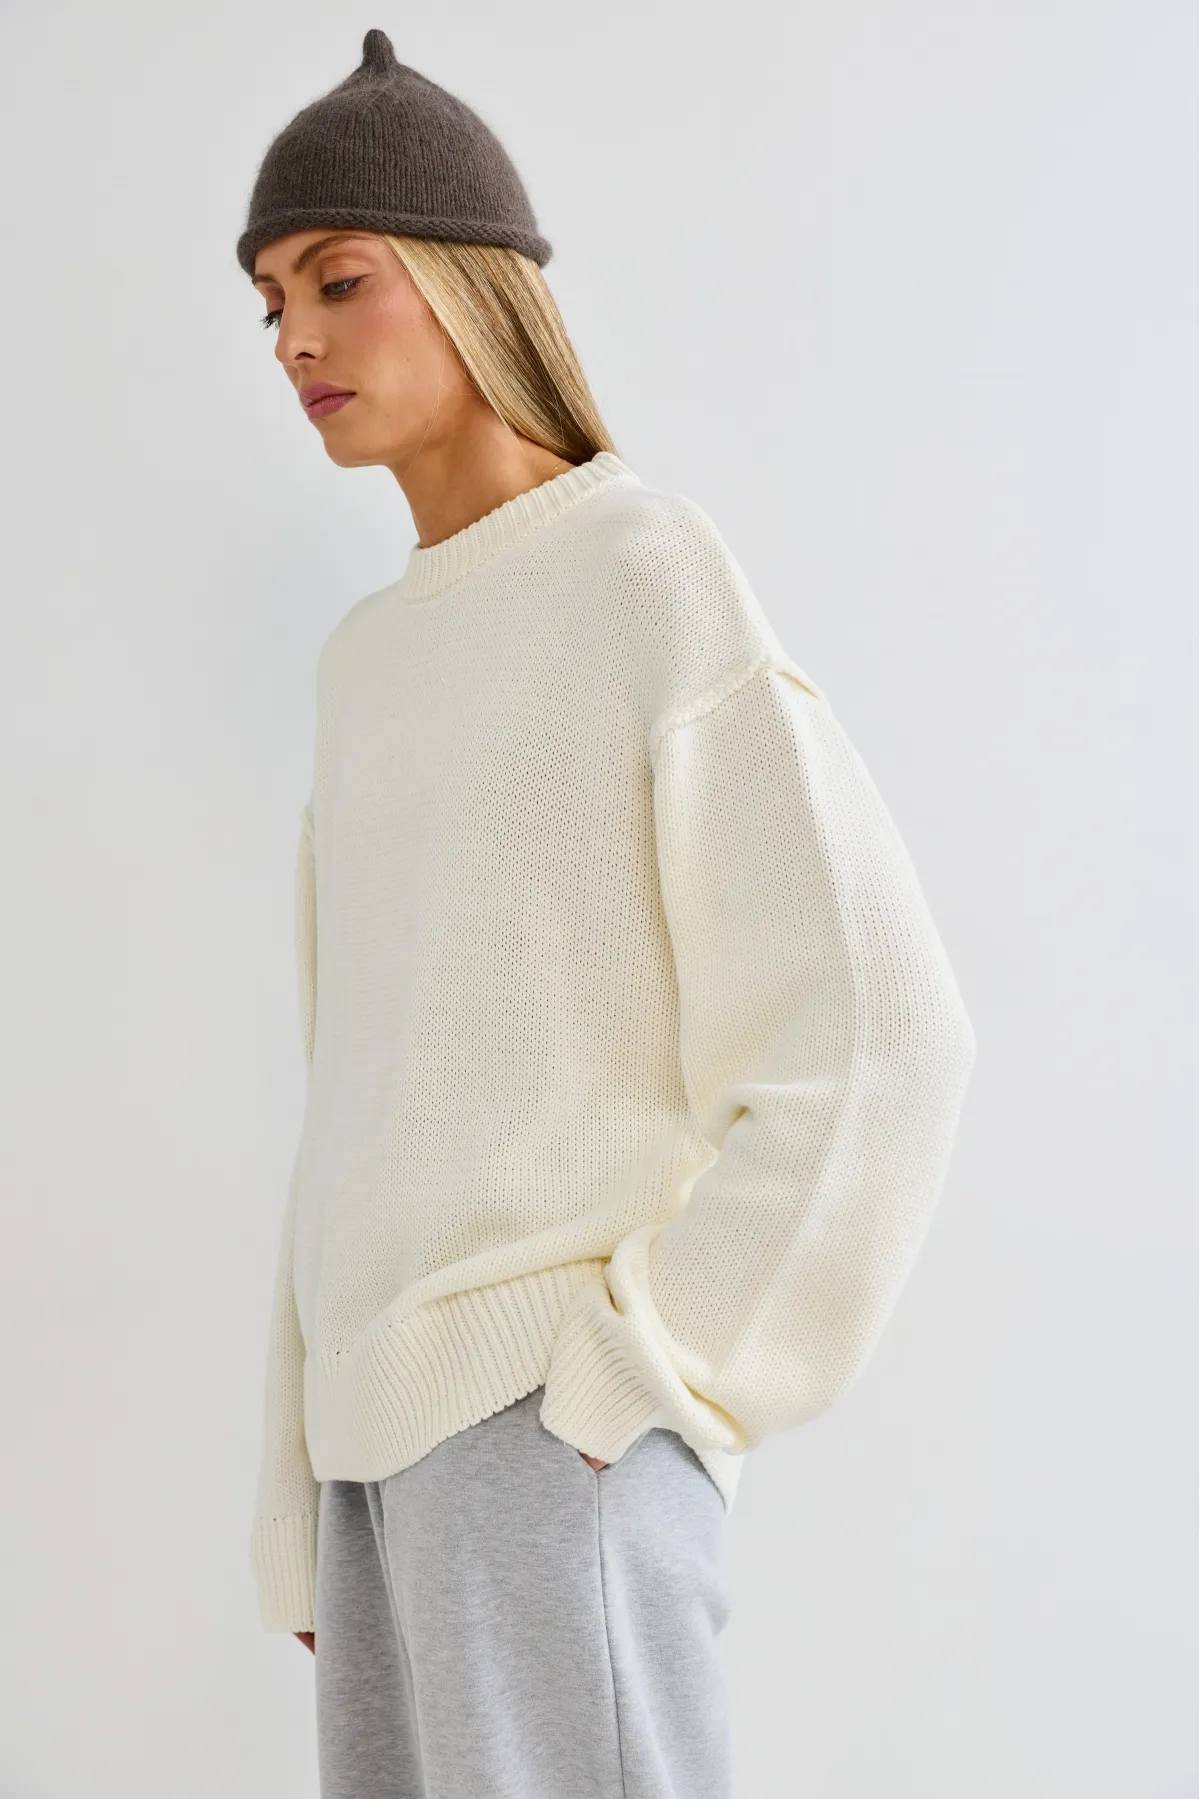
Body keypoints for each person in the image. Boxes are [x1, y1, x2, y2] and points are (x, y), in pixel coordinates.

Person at [237, 29, 976, 1799]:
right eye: (267, 304)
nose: (295, 340)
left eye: (339, 278)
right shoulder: (368, 664)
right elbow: (361, 1106)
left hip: (541, 1429)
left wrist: (648, 1374)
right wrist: (301, 1485)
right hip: (374, 1467)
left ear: (473, 283)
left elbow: (879, 1027)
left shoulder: (641, 573)